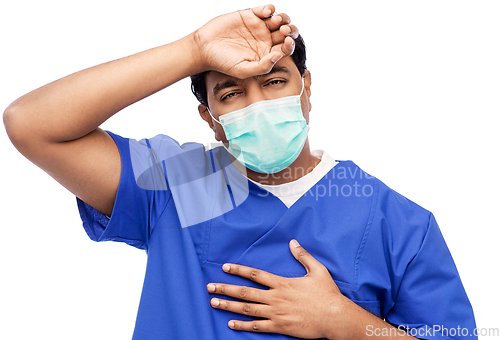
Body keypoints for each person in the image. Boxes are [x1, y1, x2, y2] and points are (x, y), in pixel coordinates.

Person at [3, 4, 476, 340]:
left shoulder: (400, 223)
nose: (259, 105)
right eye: (230, 93)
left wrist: (344, 322)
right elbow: (31, 124)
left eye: (274, 82)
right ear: (209, 117)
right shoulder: (176, 182)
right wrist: (193, 50)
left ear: (306, 89)